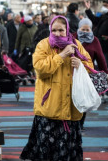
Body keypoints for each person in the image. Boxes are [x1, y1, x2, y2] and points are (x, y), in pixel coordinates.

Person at [20, 15, 94, 160]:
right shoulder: (43, 45)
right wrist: (61, 55)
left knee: (68, 152)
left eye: (61, 30)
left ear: (67, 30)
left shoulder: (76, 45)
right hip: (49, 108)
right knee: (47, 152)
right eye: (54, 30)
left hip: (71, 108)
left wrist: (81, 65)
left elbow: (90, 65)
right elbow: (41, 69)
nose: (57, 33)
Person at [73, 18, 108, 130]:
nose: (85, 31)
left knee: (83, 98)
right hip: (72, 72)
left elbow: (101, 58)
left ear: (91, 29)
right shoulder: (72, 37)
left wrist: (106, 73)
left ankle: (80, 122)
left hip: (87, 74)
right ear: (79, 28)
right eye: (82, 29)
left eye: (87, 29)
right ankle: (71, 121)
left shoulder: (95, 40)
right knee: (72, 97)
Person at [84, 0, 108, 95]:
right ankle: (101, 90)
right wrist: (88, 10)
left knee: (104, 68)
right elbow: (95, 21)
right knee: (100, 68)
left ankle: (104, 90)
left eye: (106, 5)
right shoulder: (106, 16)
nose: (104, 7)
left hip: (107, 48)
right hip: (100, 45)